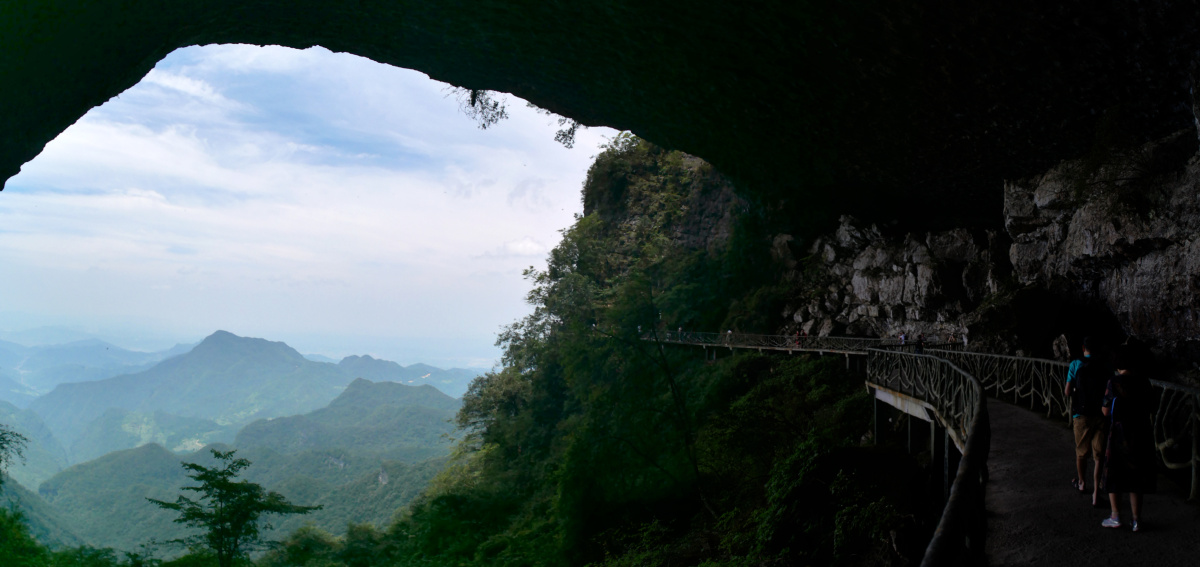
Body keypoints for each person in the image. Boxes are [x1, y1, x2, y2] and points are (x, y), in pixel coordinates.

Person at [1100, 346, 1157, 531]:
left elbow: (1106, 410)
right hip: (1140, 432)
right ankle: (1136, 519)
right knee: (1136, 475)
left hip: (1119, 433)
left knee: (1114, 472)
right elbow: (1151, 407)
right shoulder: (1144, 382)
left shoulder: (1114, 382)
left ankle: (1115, 516)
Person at [1064, 337, 1111, 507]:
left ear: (1083, 347)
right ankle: (1096, 493)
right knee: (1098, 456)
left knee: (1081, 452)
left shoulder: (1076, 364)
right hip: (1100, 414)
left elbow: (1068, 391)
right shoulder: (1106, 365)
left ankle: (1082, 483)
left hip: (1081, 415)